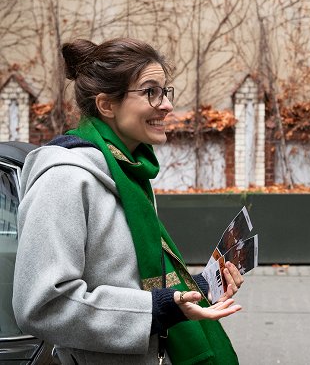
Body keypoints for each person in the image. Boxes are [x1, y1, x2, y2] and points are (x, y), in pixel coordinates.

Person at [13, 38, 244, 364]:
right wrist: (157, 309)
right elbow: (43, 306)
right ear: (107, 105)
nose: (166, 105)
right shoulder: (64, 180)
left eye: (165, 92)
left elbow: (131, 276)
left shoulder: (129, 172)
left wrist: (202, 287)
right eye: (150, 92)